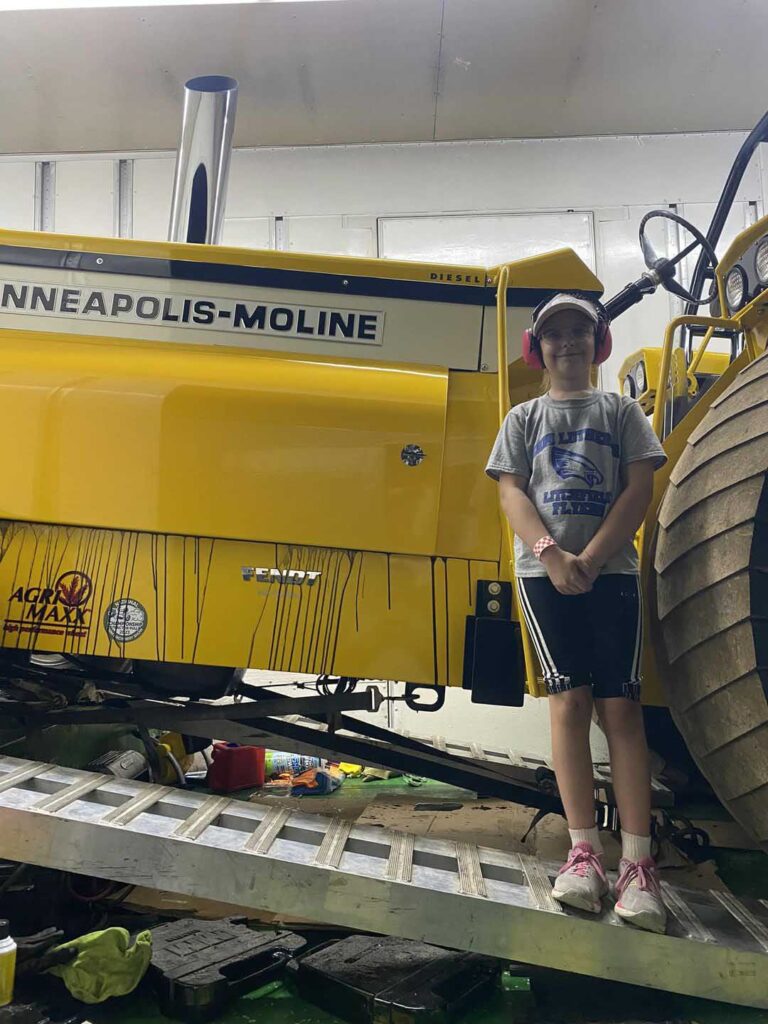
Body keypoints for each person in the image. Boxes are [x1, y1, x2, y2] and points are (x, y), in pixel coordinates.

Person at [485, 292, 668, 933]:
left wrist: (589, 554)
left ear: (599, 343)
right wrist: (552, 555)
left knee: (622, 708)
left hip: (611, 573)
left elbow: (639, 487)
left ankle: (638, 866)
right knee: (570, 704)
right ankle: (583, 853)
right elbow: (512, 492)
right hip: (544, 577)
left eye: (580, 333)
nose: (569, 344)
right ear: (539, 347)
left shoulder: (620, 412)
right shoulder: (523, 418)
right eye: (556, 334)